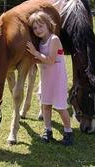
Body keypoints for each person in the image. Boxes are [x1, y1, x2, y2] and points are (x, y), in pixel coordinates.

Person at [26, 11, 73, 146]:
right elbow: (43, 61)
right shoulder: (41, 42)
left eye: (41, 26)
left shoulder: (54, 39)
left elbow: (51, 60)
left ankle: (68, 131)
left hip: (57, 78)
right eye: (35, 28)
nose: (38, 30)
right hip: (46, 77)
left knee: (60, 107)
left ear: (48, 25)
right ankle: (48, 130)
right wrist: (32, 60)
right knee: (46, 105)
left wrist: (35, 53)